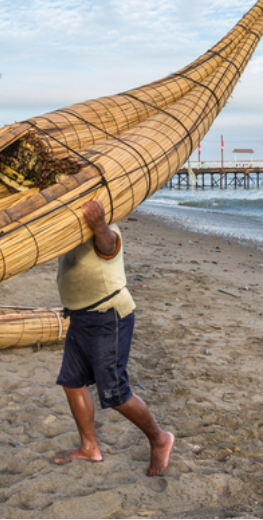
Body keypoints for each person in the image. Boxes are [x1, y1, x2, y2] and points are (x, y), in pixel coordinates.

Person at [53, 199, 175, 477]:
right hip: (81, 317)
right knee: (72, 383)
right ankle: (89, 448)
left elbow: (109, 246)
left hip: (108, 315)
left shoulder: (106, 228)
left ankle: (159, 438)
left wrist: (98, 224)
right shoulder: (69, 230)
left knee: (115, 392)